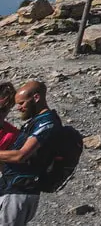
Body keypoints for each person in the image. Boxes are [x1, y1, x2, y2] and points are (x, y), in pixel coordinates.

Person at [0, 79, 61, 224]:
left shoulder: (47, 123)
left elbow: (21, 155)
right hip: (11, 187)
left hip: (20, 190)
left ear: (36, 98)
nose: (18, 108)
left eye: (21, 103)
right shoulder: (35, 122)